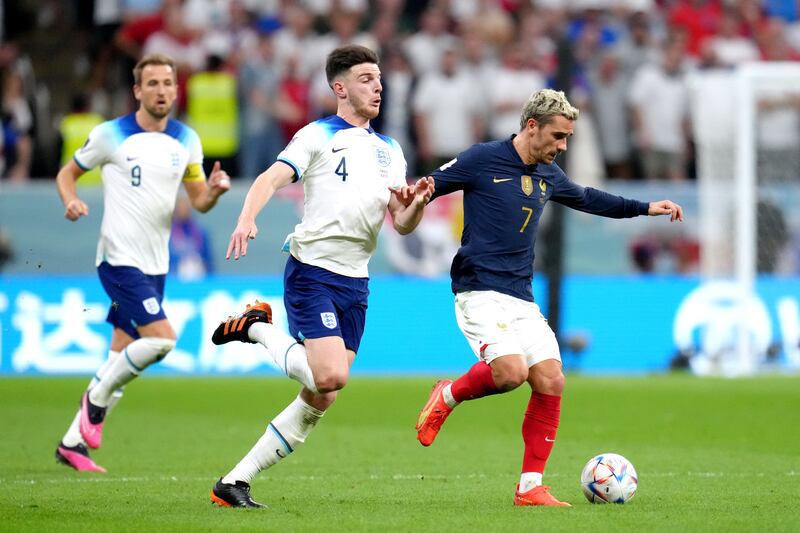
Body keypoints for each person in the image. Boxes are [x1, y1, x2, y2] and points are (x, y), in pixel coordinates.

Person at [414, 89, 683, 506]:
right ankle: (447, 395)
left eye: (567, 138)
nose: (562, 146)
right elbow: (429, 185)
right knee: (509, 373)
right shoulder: (482, 158)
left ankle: (530, 487)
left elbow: (591, 199)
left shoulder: (548, 174)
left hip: (521, 295)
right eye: (558, 136)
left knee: (551, 379)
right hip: (478, 289)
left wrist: (646, 208)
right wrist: (406, 197)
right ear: (532, 126)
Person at [208, 44, 434, 509]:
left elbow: (402, 221)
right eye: (367, 78)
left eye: (379, 78)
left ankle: (234, 482)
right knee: (331, 376)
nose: (378, 86)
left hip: (357, 280)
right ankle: (256, 327)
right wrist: (246, 218)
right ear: (340, 87)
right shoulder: (316, 135)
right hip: (313, 270)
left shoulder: (389, 150)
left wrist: (416, 204)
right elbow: (270, 178)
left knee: (321, 395)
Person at [53, 53, 231, 473]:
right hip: (118, 259)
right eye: (152, 83)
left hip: (156, 264)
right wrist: (71, 199)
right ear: (137, 90)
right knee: (163, 341)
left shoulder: (187, 139)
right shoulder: (110, 135)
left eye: (168, 83)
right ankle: (93, 404)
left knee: (121, 354)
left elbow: (199, 201)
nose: (161, 91)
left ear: (175, 88)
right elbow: (66, 174)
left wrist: (217, 191)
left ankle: (72, 443)